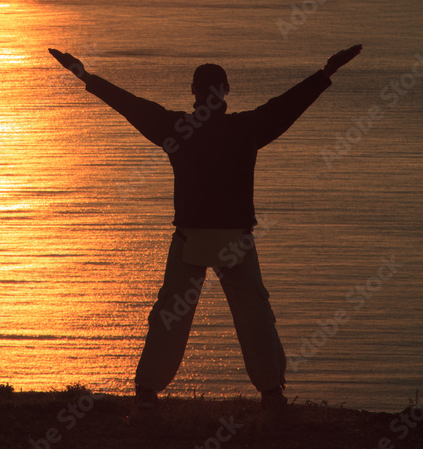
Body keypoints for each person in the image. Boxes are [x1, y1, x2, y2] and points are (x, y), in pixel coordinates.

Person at [49, 43, 362, 412]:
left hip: (191, 240)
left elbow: (130, 105)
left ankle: (148, 393)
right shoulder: (245, 129)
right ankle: (272, 394)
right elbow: (286, 105)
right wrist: (326, 73)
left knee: (170, 318)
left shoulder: (178, 129)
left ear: (194, 93)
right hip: (235, 242)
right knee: (256, 319)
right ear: (226, 91)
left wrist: (84, 75)